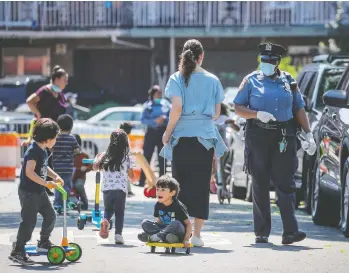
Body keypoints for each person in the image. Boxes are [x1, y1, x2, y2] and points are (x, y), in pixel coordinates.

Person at [233, 42, 316, 244]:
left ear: (278, 62)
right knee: (260, 183)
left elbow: (299, 109)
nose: (266, 63)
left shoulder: (289, 81)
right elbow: (237, 107)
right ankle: (262, 232)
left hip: (284, 137)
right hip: (258, 136)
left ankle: (290, 231)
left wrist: (308, 133)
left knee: (285, 184)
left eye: (270, 60)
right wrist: (255, 114)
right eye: (264, 60)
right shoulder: (251, 80)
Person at [160, 39, 227, 247]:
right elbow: (217, 114)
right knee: (200, 187)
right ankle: (197, 235)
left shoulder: (176, 78)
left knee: (179, 187)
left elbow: (176, 109)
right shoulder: (213, 80)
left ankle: (182, 232)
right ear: (202, 56)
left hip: (181, 138)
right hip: (205, 140)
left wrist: (167, 132)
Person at [9, 118, 63, 265]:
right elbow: (29, 172)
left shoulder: (43, 150)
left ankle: (44, 241)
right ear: (47, 139)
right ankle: (18, 250)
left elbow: (44, 167)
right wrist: (46, 183)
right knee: (29, 222)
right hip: (29, 193)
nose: (56, 140)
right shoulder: (33, 151)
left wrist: (55, 176)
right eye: (55, 138)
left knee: (50, 215)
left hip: (39, 191)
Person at [93, 129, 135, 244]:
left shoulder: (104, 156)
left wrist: (97, 158)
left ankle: (105, 220)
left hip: (107, 189)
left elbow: (95, 167)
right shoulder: (127, 158)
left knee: (108, 209)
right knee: (119, 212)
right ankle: (118, 235)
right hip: (120, 190)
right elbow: (132, 177)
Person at [137, 175, 192, 247]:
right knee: (145, 222)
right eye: (157, 189)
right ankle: (165, 237)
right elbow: (159, 221)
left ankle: (155, 237)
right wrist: (154, 227)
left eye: (163, 190)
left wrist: (186, 239)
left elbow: (188, 224)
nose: (159, 192)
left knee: (176, 223)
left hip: (178, 230)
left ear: (172, 193)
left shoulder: (178, 206)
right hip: (164, 229)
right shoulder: (158, 204)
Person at [139, 85, 171, 187]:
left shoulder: (166, 104)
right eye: (157, 93)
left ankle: (162, 182)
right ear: (152, 94)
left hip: (162, 132)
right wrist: (154, 121)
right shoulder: (147, 105)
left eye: (160, 93)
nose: (159, 95)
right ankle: (142, 180)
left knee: (162, 157)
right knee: (146, 156)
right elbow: (143, 120)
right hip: (151, 132)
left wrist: (164, 119)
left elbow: (171, 116)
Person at [52, 114, 80, 208]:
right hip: (68, 167)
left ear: (58, 126)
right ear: (71, 127)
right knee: (67, 185)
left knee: (57, 185)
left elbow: (51, 149)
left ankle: (57, 203)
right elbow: (76, 151)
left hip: (56, 167)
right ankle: (65, 202)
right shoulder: (72, 138)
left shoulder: (56, 138)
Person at [72, 134, 91, 210]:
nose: (74, 150)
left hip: (80, 177)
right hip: (70, 176)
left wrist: (86, 167)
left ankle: (84, 199)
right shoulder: (68, 156)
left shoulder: (84, 156)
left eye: (76, 147)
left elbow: (90, 166)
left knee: (78, 185)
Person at [120, 122, 135, 197]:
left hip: (119, 159)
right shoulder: (125, 137)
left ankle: (127, 189)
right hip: (124, 159)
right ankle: (128, 190)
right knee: (126, 175)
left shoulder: (117, 136)